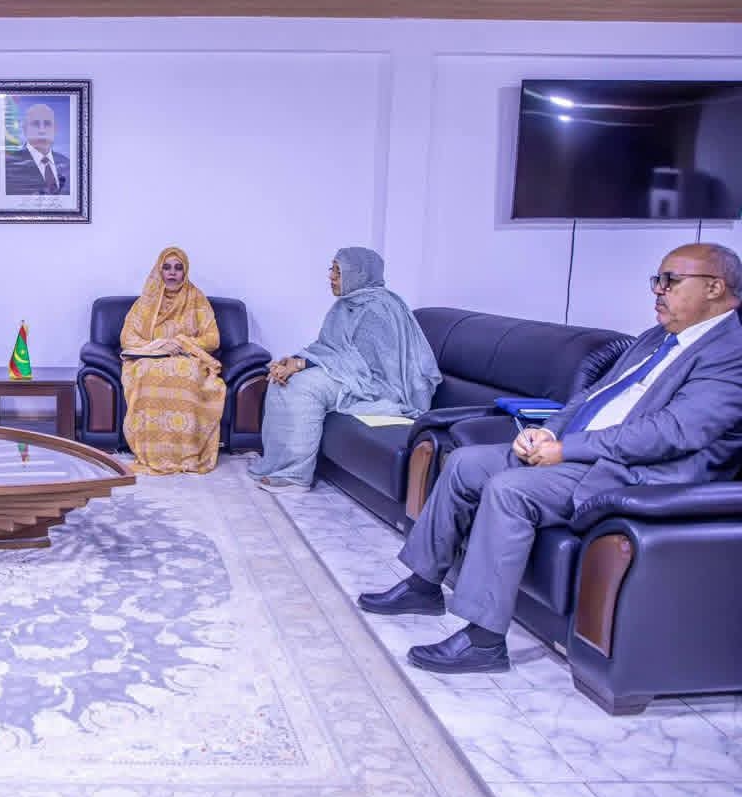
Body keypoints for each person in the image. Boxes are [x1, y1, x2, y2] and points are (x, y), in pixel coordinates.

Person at [358, 242, 742, 674]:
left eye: (670, 281)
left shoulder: (730, 354)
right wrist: (549, 431)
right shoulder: (659, 336)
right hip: (583, 452)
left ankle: (484, 642)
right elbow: (593, 395)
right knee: (465, 463)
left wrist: (568, 449)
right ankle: (423, 585)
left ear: (714, 287)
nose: (658, 290)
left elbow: (673, 432)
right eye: (657, 280)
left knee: (509, 490)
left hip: (633, 473)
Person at [248, 247, 441, 493]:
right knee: (280, 380)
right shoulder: (344, 306)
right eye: (332, 269)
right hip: (349, 375)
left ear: (359, 274)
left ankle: (295, 476)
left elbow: (367, 362)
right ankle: (277, 464)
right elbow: (327, 347)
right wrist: (294, 361)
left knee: (302, 386)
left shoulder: (380, 308)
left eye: (338, 272)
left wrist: (303, 366)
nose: (331, 277)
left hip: (377, 383)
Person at [119, 246, 225, 474]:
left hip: (185, 356)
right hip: (151, 357)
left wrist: (182, 342)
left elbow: (213, 338)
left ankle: (185, 454)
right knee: (146, 372)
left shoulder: (196, 298)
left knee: (188, 373)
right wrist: (159, 345)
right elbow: (127, 338)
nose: (172, 273)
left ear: (185, 271)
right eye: (167, 267)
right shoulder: (146, 301)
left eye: (178, 268)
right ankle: (151, 453)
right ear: (159, 270)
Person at [4, 103, 71, 196]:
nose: (42, 130)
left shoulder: (68, 165)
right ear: (25, 129)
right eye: (35, 124)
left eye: (47, 124)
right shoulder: (8, 166)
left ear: (55, 129)